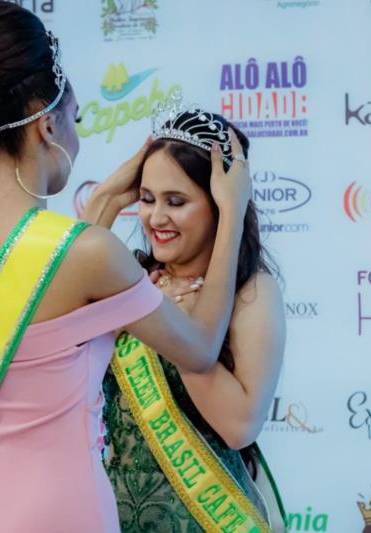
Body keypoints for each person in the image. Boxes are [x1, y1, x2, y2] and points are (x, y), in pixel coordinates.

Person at [0, 3, 249, 532]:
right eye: (74, 118)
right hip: (63, 512)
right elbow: (202, 346)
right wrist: (231, 211)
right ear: (47, 125)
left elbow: (52, 286)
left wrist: (108, 204)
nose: (77, 134)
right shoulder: (87, 254)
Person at [87, 96, 287, 532]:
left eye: (176, 201)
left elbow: (238, 426)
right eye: (146, 198)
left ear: (217, 205)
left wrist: (182, 331)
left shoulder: (252, 292)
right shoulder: (131, 279)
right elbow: (54, 301)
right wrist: (104, 198)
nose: (155, 217)